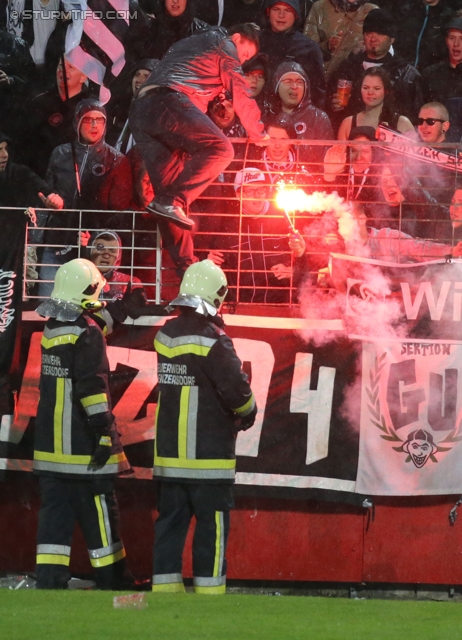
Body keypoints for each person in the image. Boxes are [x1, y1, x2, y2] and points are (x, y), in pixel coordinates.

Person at [152, 259, 257, 594]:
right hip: (209, 460)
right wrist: (249, 412)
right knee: (210, 532)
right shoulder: (215, 340)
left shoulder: (165, 334)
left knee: (169, 528)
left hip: (170, 458)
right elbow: (237, 392)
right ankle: (209, 600)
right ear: (216, 295)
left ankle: (164, 600)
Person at [33, 258, 131, 589]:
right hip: (84, 452)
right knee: (102, 522)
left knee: (54, 526)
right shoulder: (87, 333)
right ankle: (114, 586)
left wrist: (109, 316)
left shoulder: (53, 328)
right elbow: (92, 389)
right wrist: (104, 434)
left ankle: (49, 588)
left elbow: (82, 329)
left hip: (51, 453)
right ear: (87, 290)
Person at [129, 22, 267, 232]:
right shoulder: (225, 45)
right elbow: (240, 91)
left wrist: (218, 96)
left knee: (168, 198)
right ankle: (172, 201)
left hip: (142, 110)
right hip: (169, 102)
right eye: (245, 54)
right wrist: (258, 133)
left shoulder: (196, 42)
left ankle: (183, 259)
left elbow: (196, 75)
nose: (243, 60)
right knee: (221, 150)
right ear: (236, 38)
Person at [38, 99, 133, 297]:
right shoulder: (59, 153)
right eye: (88, 119)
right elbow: (48, 192)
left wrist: (95, 236)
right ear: (77, 123)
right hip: (58, 241)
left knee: (87, 305)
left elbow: (119, 212)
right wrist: (48, 204)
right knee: (49, 303)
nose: (94, 125)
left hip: (94, 250)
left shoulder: (117, 160)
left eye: (99, 120)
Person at [328, 8, 423, 133]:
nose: (373, 38)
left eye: (380, 34)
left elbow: (418, 120)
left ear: (392, 39)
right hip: (354, 141)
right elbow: (329, 108)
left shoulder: (408, 75)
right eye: (369, 33)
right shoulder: (347, 68)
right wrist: (333, 105)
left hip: (391, 144)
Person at [24, 56, 91, 177]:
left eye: (70, 67)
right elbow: (27, 147)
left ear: (83, 77)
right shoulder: (39, 103)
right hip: (44, 176)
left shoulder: (92, 107)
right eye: (60, 65)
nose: (63, 70)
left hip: (80, 177)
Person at [259, 0, 327, 109]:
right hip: (256, 112)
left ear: (295, 15)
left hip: (294, 116)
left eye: (288, 10)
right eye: (276, 9)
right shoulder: (255, 41)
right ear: (268, 12)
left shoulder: (309, 48)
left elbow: (317, 93)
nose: (281, 15)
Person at [267, 61, 333, 166]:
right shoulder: (267, 116)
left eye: (299, 82)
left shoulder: (318, 119)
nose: (294, 86)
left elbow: (327, 163)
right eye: (288, 81)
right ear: (276, 86)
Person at [303, 0, 379, 80]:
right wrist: (327, 46)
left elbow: (379, 51)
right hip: (315, 78)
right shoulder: (320, 7)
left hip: (349, 81)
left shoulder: (371, 11)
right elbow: (306, 48)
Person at [337, 66, 414, 139]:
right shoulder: (348, 123)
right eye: (365, 88)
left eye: (376, 88)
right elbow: (339, 152)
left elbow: (416, 151)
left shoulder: (402, 123)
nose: (370, 92)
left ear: (386, 91)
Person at [394, 0, 459, 71]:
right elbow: (395, 43)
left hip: (433, 74)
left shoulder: (449, 17)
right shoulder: (404, 11)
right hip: (401, 71)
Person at [422, 16, 462, 106]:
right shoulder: (430, 74)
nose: (456, 44)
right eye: (452, 38)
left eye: (461, 39)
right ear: (446, 41)